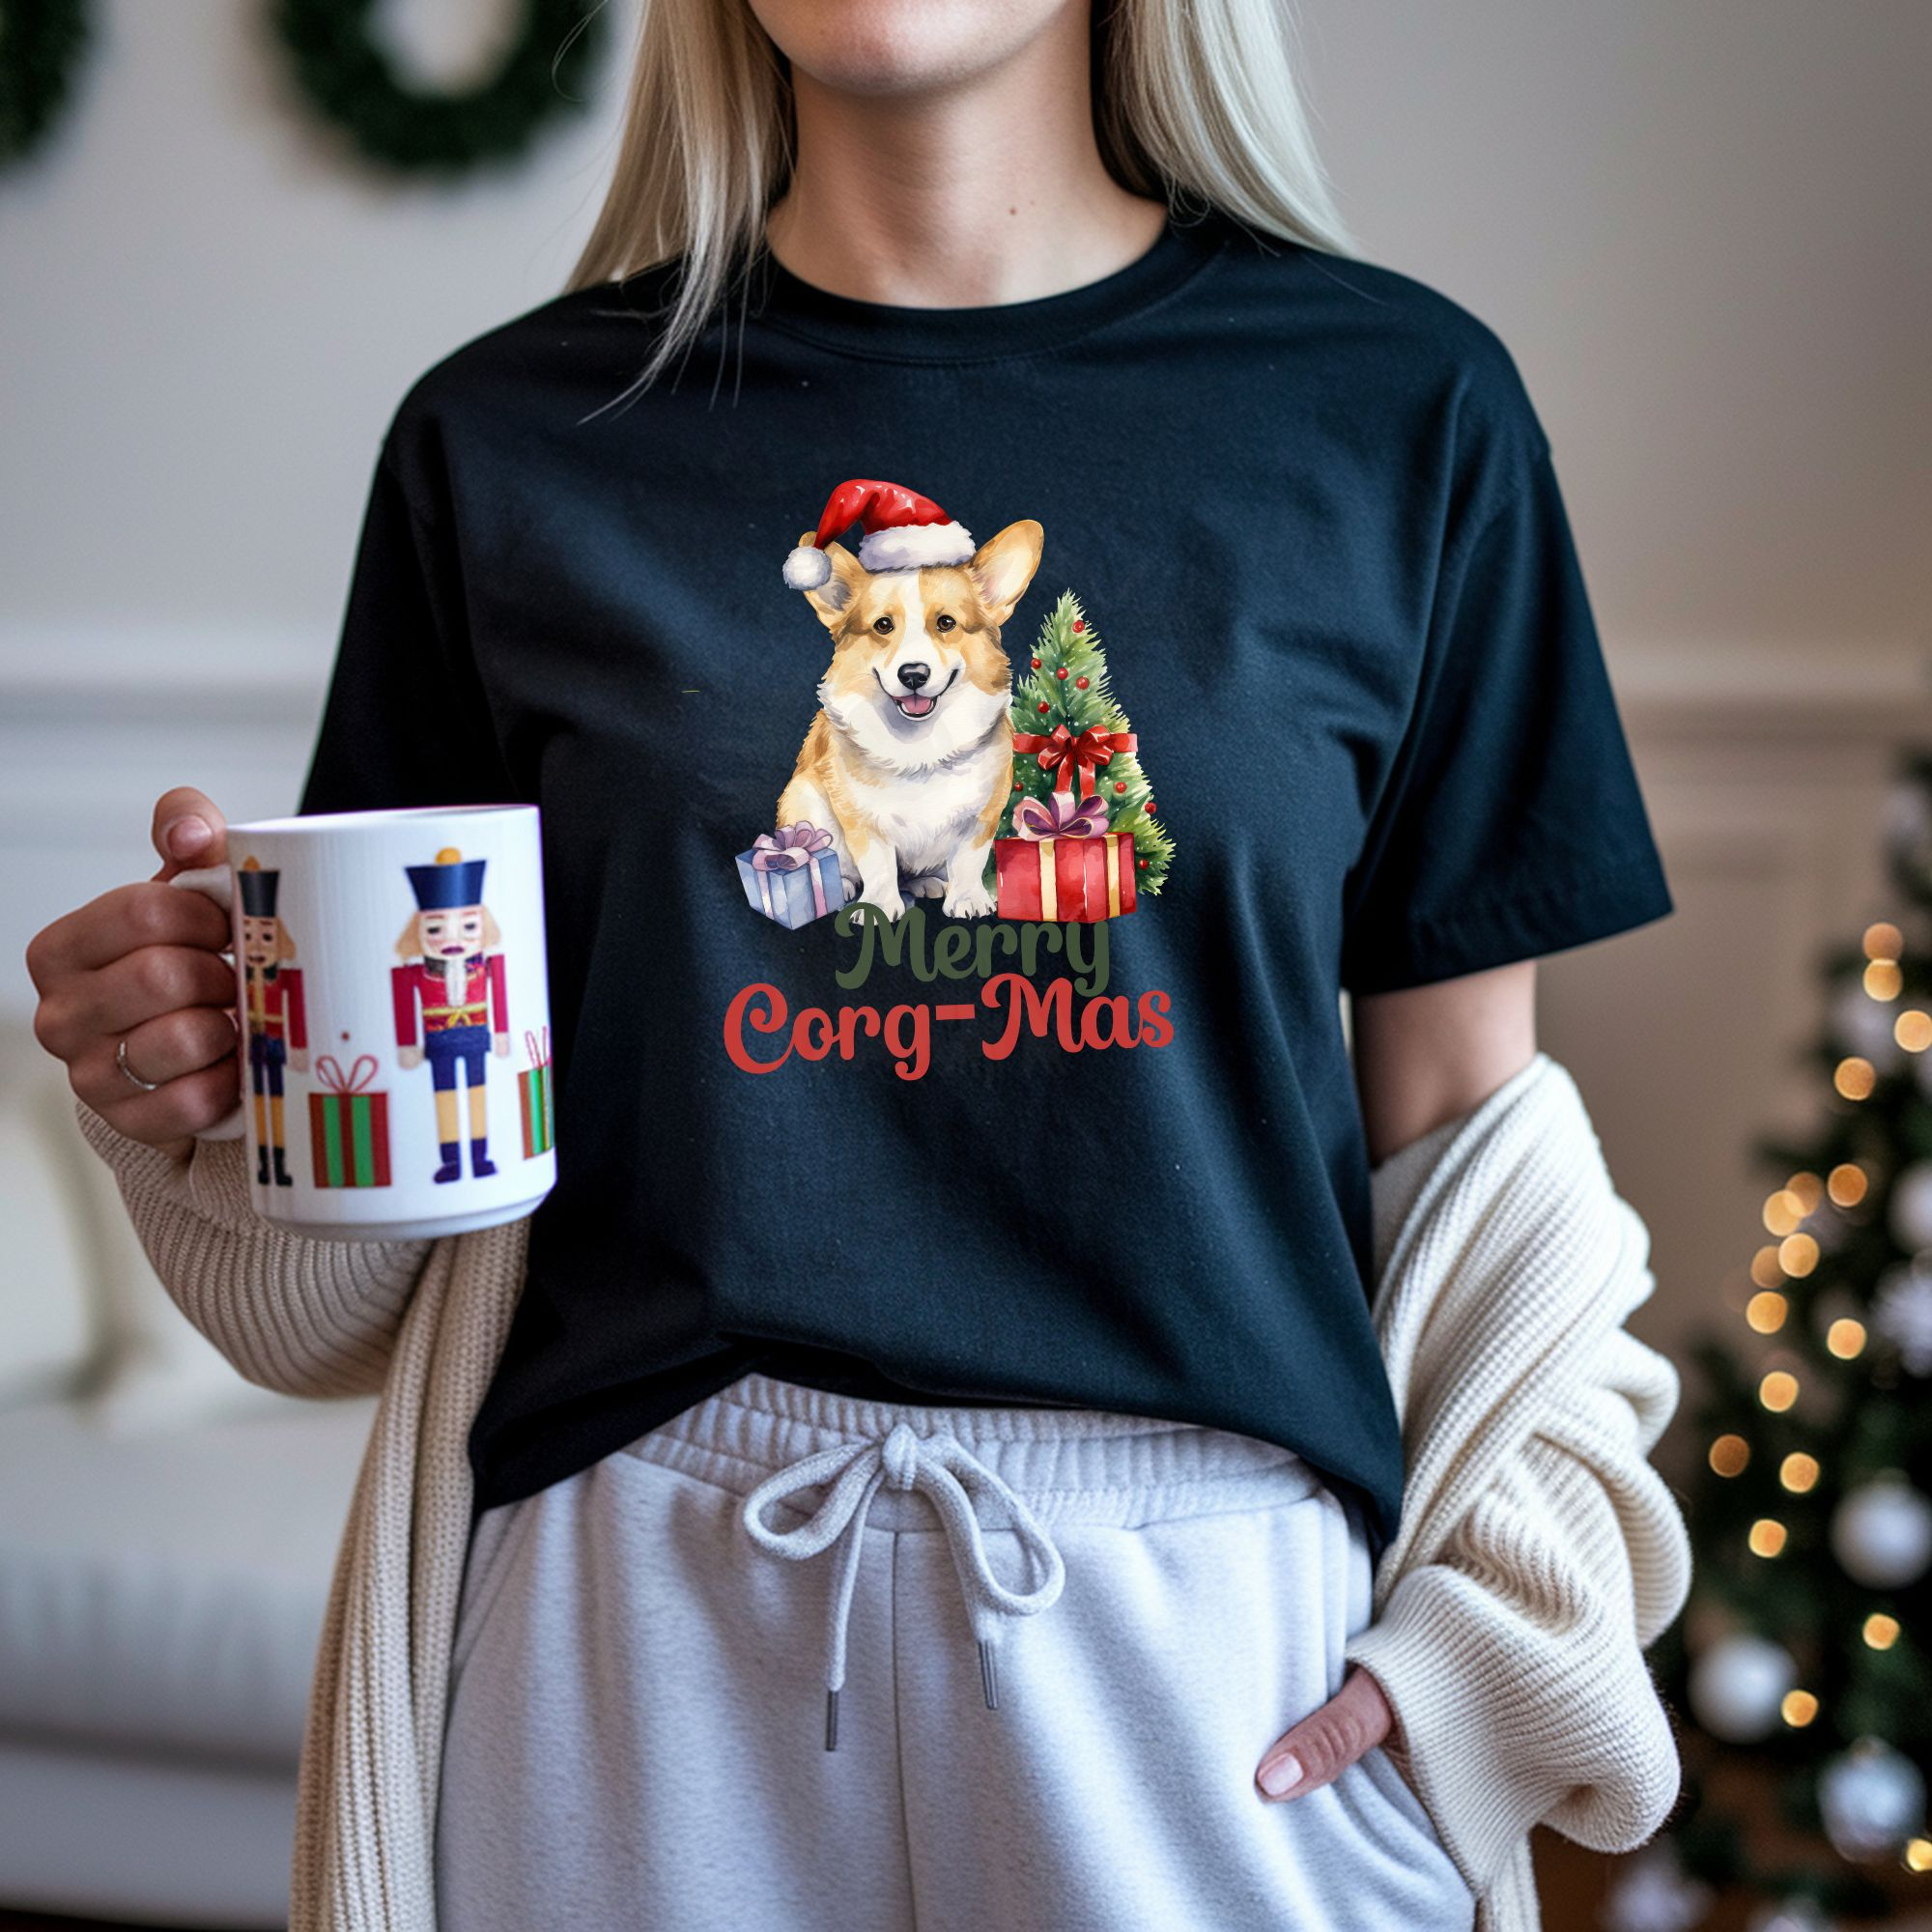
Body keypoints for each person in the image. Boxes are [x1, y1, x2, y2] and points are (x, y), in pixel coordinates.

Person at [24, 1, 1687, 1925]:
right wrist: (203, 1092)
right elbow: (350, 1277)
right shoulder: (508, 446)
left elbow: (1481, 1161)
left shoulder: (1402, 412)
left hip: (1213, 1664)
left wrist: (1483, 1654)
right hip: (626, 1645)